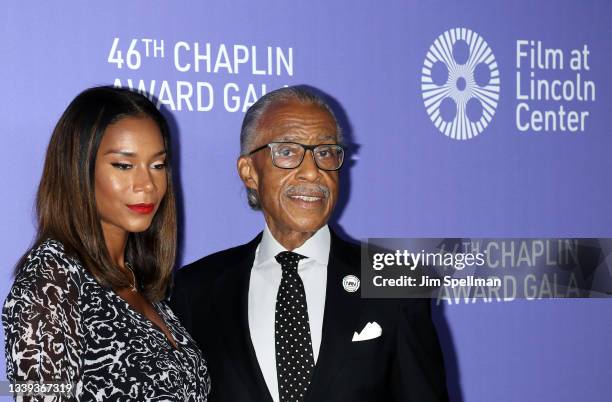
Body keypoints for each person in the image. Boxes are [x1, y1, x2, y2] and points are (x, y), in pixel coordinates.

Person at [170, 86, 449, 402]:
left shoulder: (395, 281)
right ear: (249, 172)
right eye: (287, 151)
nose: (313, 171)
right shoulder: (196, 291)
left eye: (326, 152)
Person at [2, 86, 210, 401]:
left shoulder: (140, 282)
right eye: (124, 165)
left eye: (158, 165)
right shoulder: (51, 279)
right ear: (78, 169)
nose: (147, 184)